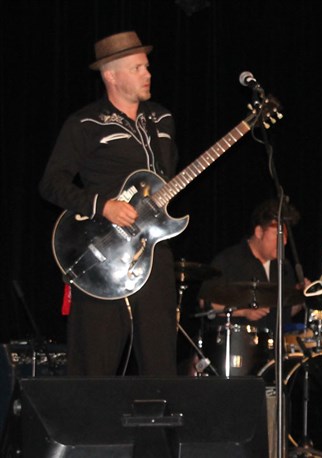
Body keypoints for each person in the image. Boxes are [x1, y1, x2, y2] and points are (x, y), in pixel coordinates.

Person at [39, 31, 178, 376]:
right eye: (137, 68)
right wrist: (102, 206)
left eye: (147, 66)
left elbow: (164, 181)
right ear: (111, 75)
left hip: (152, 251)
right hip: (101, 252)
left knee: (161, 364)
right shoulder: (85, 123)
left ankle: (159, 412)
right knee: (93, 367)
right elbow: (52, 183)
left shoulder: (162, 120)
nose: (148, 74)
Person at [197, 198, 306, 375]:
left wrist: (302, 296)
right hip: (236, 352)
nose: (284, 242)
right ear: (259, 232)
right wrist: (243, 312)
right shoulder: (229, 260)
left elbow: (285, 312)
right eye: (278, 235)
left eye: (285, 236)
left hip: (276, 355)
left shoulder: (284, 268)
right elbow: (205, 303)